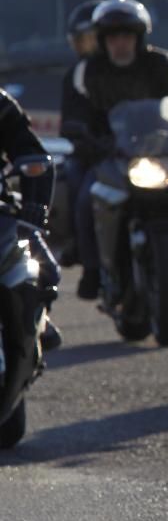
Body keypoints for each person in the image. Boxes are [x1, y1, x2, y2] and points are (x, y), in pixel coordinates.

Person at [66, 0, 168, 300]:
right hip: (110, 155)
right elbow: (74, 117)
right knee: (85, 196)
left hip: (165, 152)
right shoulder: (87, 72)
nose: (120, 43)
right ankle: (92, 269)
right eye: (113, 37)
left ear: (139, 38)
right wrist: (90, 141)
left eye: (127, 35)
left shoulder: (162, 63)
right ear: (103, 40)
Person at [0, 89, 63, 350]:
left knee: (44, 270)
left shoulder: (1, 105)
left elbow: (32, 153)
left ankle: (37, 320)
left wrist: (34, 208)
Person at [58, 0, 104, 267]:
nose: (83, 45)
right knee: (79, 189)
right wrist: (87, 138)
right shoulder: (76, 75)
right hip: (93, 154)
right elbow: (69, 121)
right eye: (79, 40)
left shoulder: (142, 64)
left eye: (88, 38)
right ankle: (84, 254)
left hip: (135, 150)